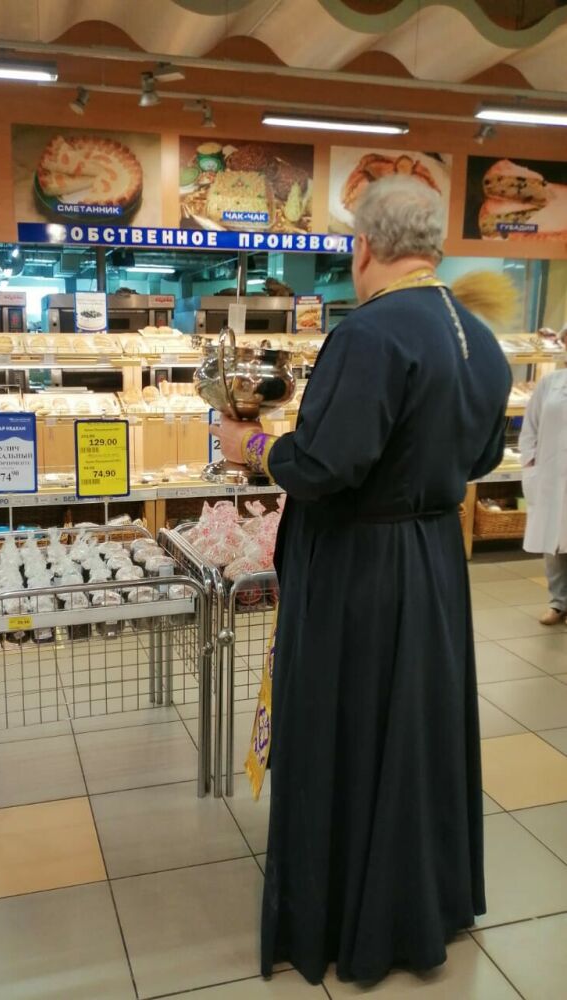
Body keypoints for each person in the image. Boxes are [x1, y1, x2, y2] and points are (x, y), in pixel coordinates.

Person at [212, 176, 512, 986]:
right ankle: (420, 901)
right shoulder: (478, 336)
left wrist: (249, 445)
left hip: (359, 566)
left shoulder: (371, 332)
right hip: (434, 556)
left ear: (365, 246)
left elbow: (322, 466)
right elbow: (484, 455)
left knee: (346, 725)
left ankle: (345, 912)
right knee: (416, 728)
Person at [519, 327, 567, 625]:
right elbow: (530, 426)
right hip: (551, 473)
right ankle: (558, 602)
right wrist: (530, 461)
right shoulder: (550, 383)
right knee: (553, 540)